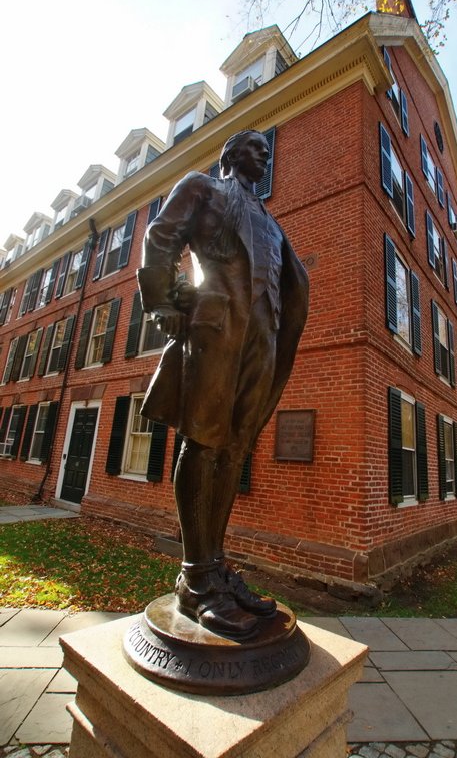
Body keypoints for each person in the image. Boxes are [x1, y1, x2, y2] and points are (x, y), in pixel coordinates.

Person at [138, 130, 309, 639]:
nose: (265, 153)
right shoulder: (203, 188)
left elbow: (288, 283)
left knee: (234, 450)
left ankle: (216, 568)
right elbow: (159, 237)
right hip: (216, 328)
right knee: (204, 441)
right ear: (232, 154)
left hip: (264, 338)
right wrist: (165, 303)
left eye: (266, 148)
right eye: (255, 146)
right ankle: (196, 578)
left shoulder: (271, 222)